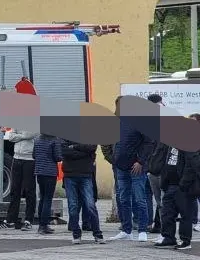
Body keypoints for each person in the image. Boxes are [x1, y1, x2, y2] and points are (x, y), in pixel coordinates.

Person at [111, 94, 158, 242]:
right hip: (120, 166)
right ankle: (126, 230)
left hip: (136, 167)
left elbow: (149, 143)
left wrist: (140, 161)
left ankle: (143, 230)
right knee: (123, 199)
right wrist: (114, 159)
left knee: (140, 198)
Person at [155, 113, 200, 250]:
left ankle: (185, 241)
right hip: (170, 183)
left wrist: (184, 184)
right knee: (167, 212)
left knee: (186, 213)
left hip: (184, 185)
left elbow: (193, 164)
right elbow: (166, 160)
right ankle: (168, 237)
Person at [60, 138, 105, 244]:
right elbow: (64, 151)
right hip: (70, 175)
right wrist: (84, 152)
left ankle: (97, 234)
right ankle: (76, 234)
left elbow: (92, 147)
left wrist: (74, 147)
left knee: (90, 205)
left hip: (86, 175)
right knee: (73, 206)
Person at [4, 127, 38, 230]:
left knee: (29, 190)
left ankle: (28, 220)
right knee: (14, 190)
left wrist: (19, 136)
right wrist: (22, 136)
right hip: (16, 158)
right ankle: (11, 220)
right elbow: (10, 137)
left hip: (29, 159)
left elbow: (31, 134)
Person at [32, 132, 62, 235]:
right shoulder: (54, 139)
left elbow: (33, 155)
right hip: (50, 172)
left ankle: (41, 224)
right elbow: (58, 157)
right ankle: (43, 225)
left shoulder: (37, 139)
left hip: (39, 171)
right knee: (48, 199)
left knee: (42, 198)